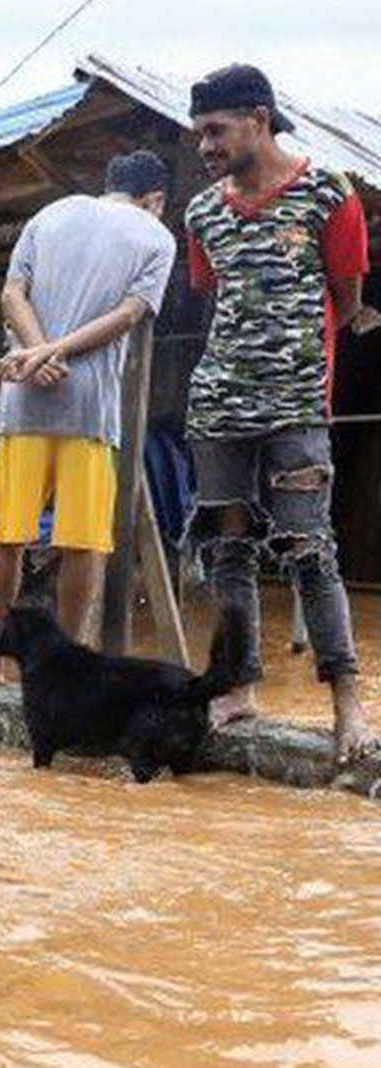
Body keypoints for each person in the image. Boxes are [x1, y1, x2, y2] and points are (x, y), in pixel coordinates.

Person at [183, 64, 372, 760]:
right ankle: (238, 686)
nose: (205, 146)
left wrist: (291, 357)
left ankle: (348, 705)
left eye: (216, 131)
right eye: (199, 133)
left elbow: (346, 300)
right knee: (227, 550)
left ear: (259, 119)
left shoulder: (328, 193)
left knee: (310, 550)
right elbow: (214, 294)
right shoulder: (202, 212)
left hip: (296, 406)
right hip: (217, 406)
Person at [0, 150, 178, 685]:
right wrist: (54, 352)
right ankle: (68, 665)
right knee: (83, 541)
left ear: (109, 184)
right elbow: (128, 315)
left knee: (5, 536)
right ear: (154, 199)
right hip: (90, 409)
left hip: (23, 400)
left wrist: (38, 351)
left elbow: (12, 293)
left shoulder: (50, 214)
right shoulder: (156, 236)